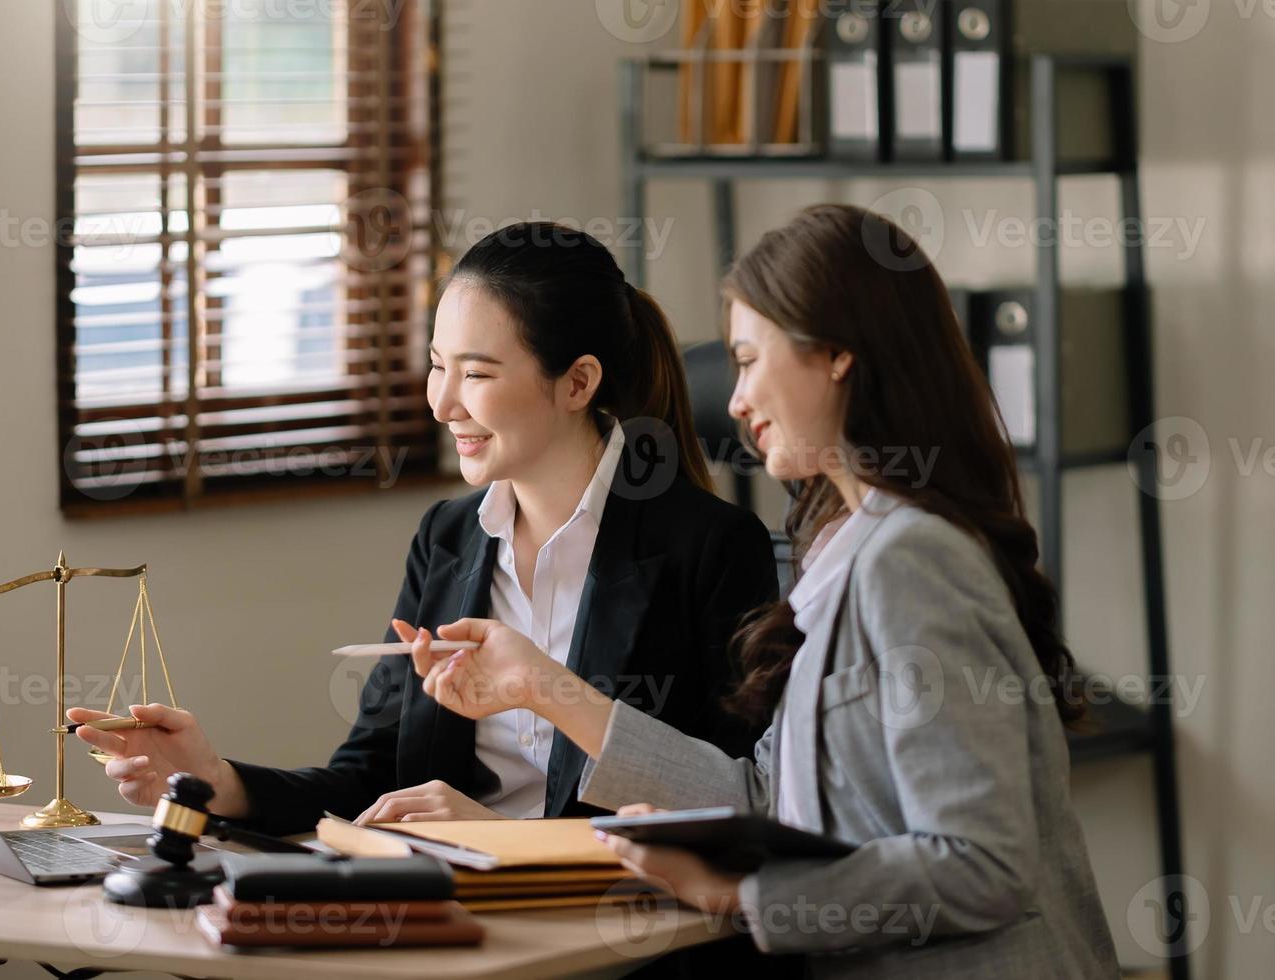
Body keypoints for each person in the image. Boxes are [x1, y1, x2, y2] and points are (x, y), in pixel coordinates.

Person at [403, 205, 1121, 977]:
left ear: (837, 355)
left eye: (749, 360)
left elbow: (982, 867)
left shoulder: (911, 561)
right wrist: (543, 689)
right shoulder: (841, 551)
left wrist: (747, 889)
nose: (736, 400)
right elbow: (763, 788)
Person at [70, 221, 778, 836]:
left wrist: (505, 836)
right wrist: (217, 780)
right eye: (438, 366)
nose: (442, 403)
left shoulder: (711, 548)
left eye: (476, 373)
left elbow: (728, 806)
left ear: (577, 383)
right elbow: (371, 780)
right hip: (455, 899)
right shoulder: (450, 536)